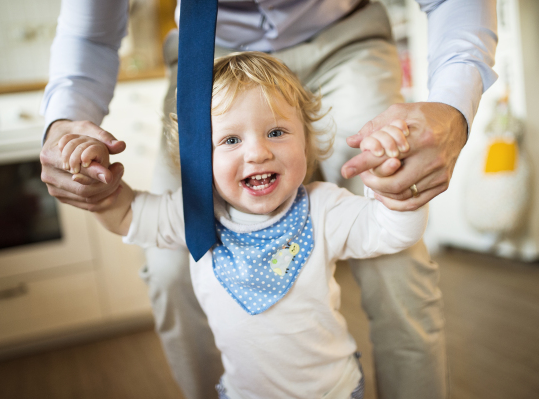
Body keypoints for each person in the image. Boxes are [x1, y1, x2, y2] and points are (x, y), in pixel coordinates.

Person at [39, 1, 498, 398]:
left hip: (343, 37)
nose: (258, 152)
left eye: (277, 134)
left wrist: (407, 179)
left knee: (399, 269)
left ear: (308, 141)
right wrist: (94, 183)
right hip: (207, 53)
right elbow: (130, 214)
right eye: (231, 143)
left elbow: (391, 230)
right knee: (167, 268)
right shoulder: (184, 216)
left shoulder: (325, 208)